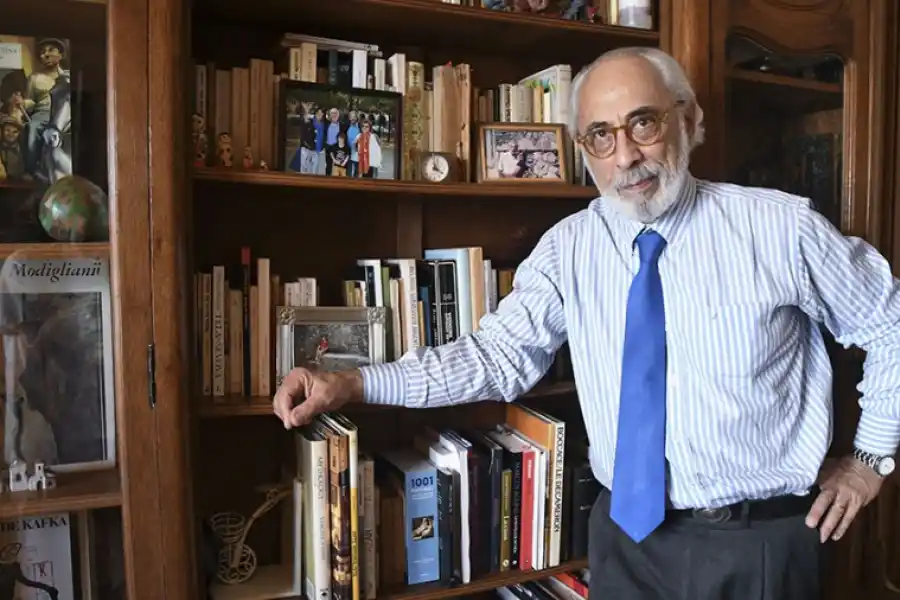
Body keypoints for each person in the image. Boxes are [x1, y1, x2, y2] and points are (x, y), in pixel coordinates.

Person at [273, 47, 900, 600]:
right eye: (601, 135)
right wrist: (352, 384)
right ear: (582, 150)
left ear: (687, 120)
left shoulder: (781, 229)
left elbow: (889, 322)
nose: (625, 155)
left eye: (643, 123)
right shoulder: (567, 249)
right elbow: (496, 356)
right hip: (625, 541)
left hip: (756, 542)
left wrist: (870, 459)